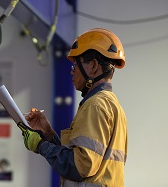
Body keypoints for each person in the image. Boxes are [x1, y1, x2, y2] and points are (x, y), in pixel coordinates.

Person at [18, 28, 128, 187]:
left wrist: (41, 145)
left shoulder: (95, 105)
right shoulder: (111, 104)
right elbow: (80, 158)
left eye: (76, 64)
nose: (72, 71)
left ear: (94, 66)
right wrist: (48, 134)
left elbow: (80, 167)